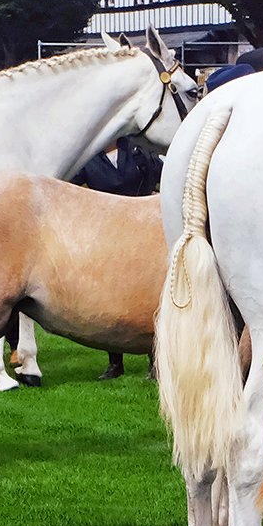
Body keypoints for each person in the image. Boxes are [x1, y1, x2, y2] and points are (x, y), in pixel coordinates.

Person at [72, 135, 163, 379]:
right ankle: (115, 363)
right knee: (115, 297)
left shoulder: (137, 151)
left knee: (149, 296)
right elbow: (69, 187)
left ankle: (155, 361)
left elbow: (163, 173)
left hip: (144, 231)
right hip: (110, 237)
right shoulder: (89, 162)